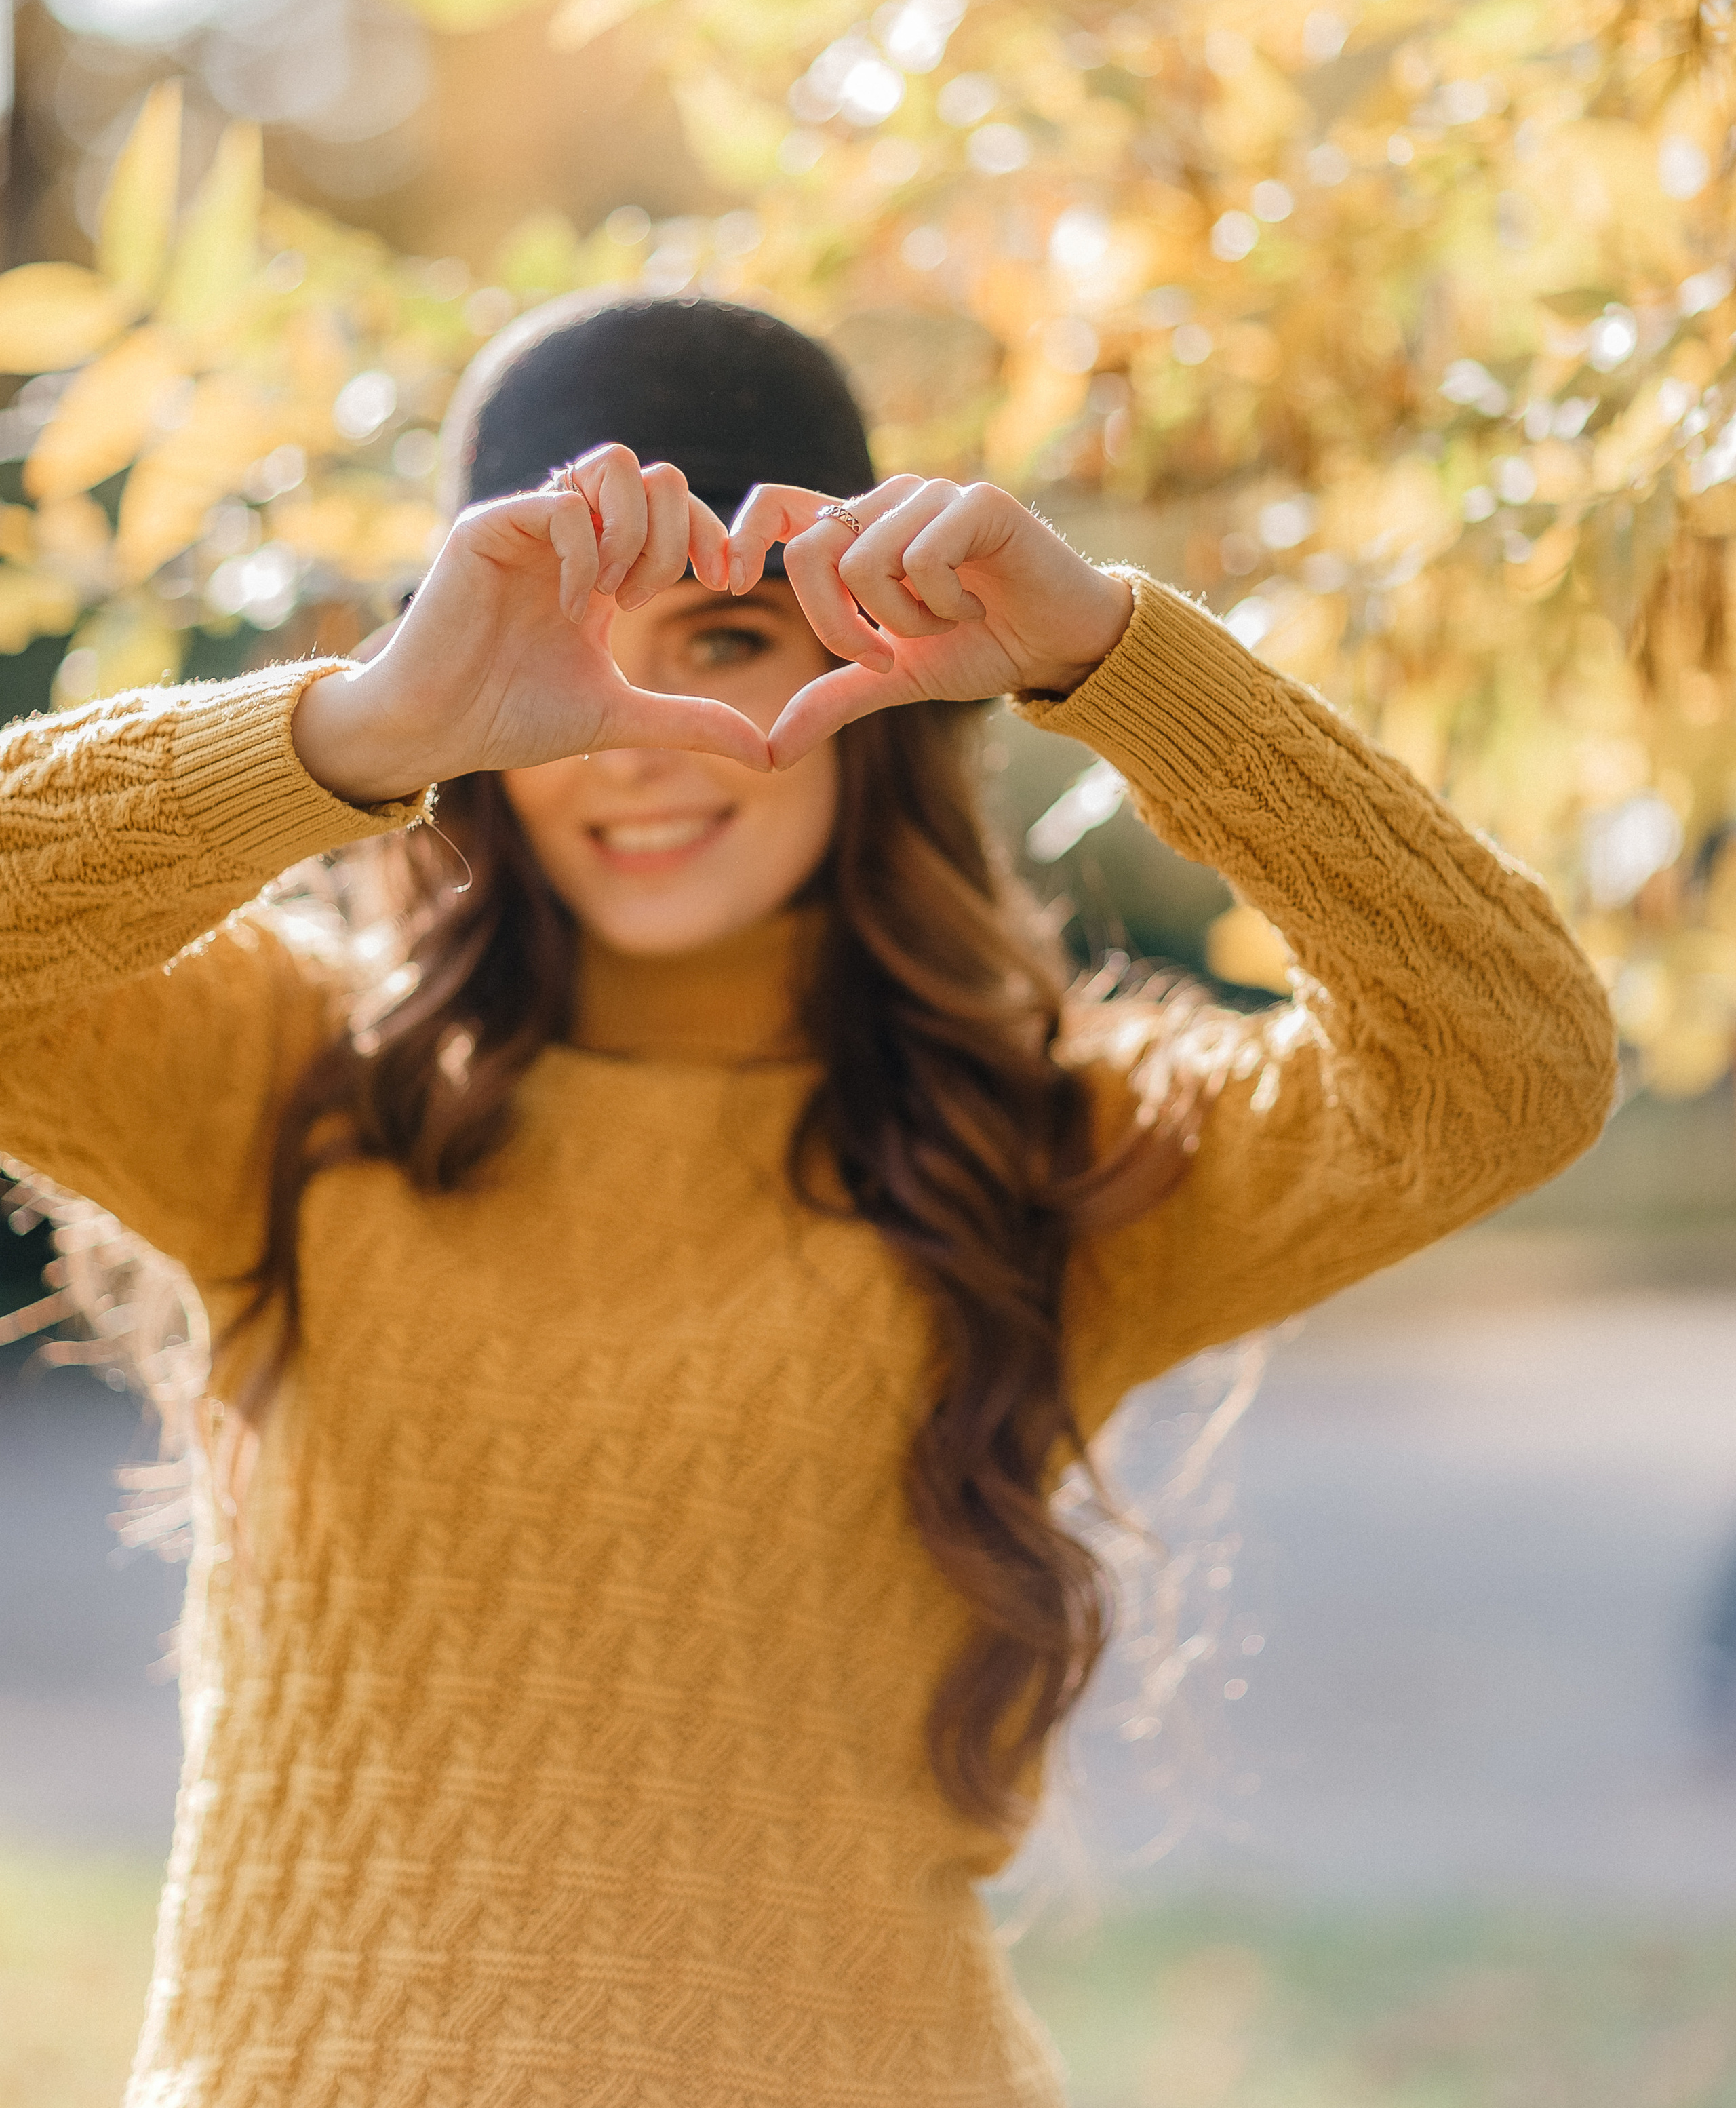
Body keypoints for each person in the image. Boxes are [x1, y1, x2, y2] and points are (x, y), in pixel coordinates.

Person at [0, 294, 1613, 2108]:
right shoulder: (284, 1077)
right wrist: (366, 731)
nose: (643, 732)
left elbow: (1513, 1064)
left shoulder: (1042, 1149)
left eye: (733, 637)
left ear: (871, 683)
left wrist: (1110, 655)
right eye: (572, 652)